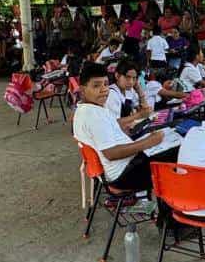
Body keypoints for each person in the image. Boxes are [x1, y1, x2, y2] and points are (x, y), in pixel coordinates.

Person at [72, 62, 180, 193]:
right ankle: (174, 207)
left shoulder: (90, 108)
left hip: (125, 165)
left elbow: (107, 134)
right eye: (96, 86)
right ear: (83, 90)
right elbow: (111, 153)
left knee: (171, 145)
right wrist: (148, 142)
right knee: (179, 154)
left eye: (105, 84)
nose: (104, 89)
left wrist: (123, 132)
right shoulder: (92, 115)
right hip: (124, 174)